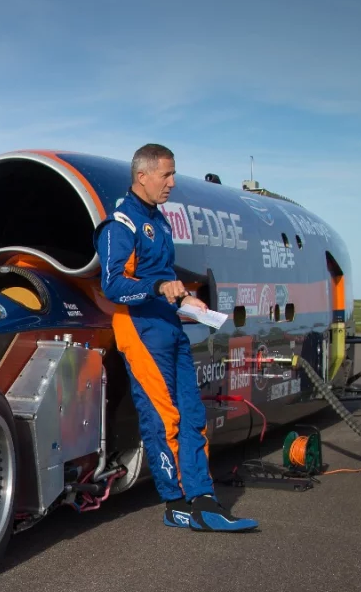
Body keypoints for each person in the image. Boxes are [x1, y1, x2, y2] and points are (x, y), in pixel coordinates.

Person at [94, 143, 258, 532]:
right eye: (166, 175)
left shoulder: (161, 222)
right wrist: (157, 288)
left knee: (192, 413)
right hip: (140, 329)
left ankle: (203, 497)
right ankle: (177, 503)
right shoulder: (120, 225)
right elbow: (113, 284)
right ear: (142, 176)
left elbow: (165, 275)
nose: (172, 182)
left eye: (173, 174)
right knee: (161, 417)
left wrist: (186, 298)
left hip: (170, 326)